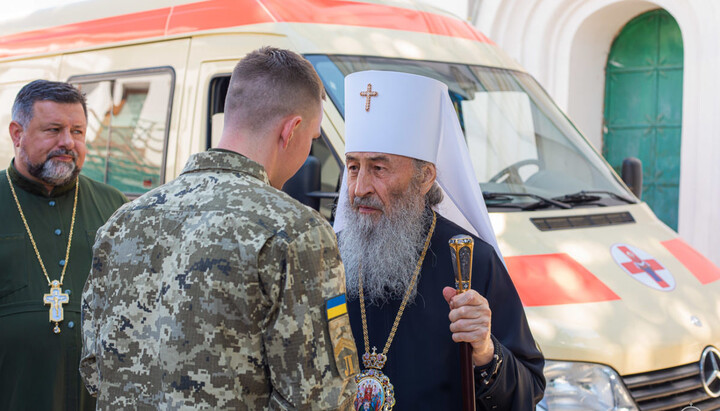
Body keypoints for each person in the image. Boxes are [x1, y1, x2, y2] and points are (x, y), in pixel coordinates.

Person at [80, 47, 359, 409]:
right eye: (313, 137)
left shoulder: (122, 222)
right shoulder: (295, 230)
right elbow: (322, 398)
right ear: (291, 130)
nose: (309, 148)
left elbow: (93, 367)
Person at [334, 71, 546, 410]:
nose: (359, 189)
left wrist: (485, 351)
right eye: (354, 167)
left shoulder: (472, 261)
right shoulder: (330, 255)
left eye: (378, 168)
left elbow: (528, 392)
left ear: (425, 176)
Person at [0, 79, 127, 410]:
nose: (67, 142)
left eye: (78, 132)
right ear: (17, 134)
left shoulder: (113, 205)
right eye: (53, 130)